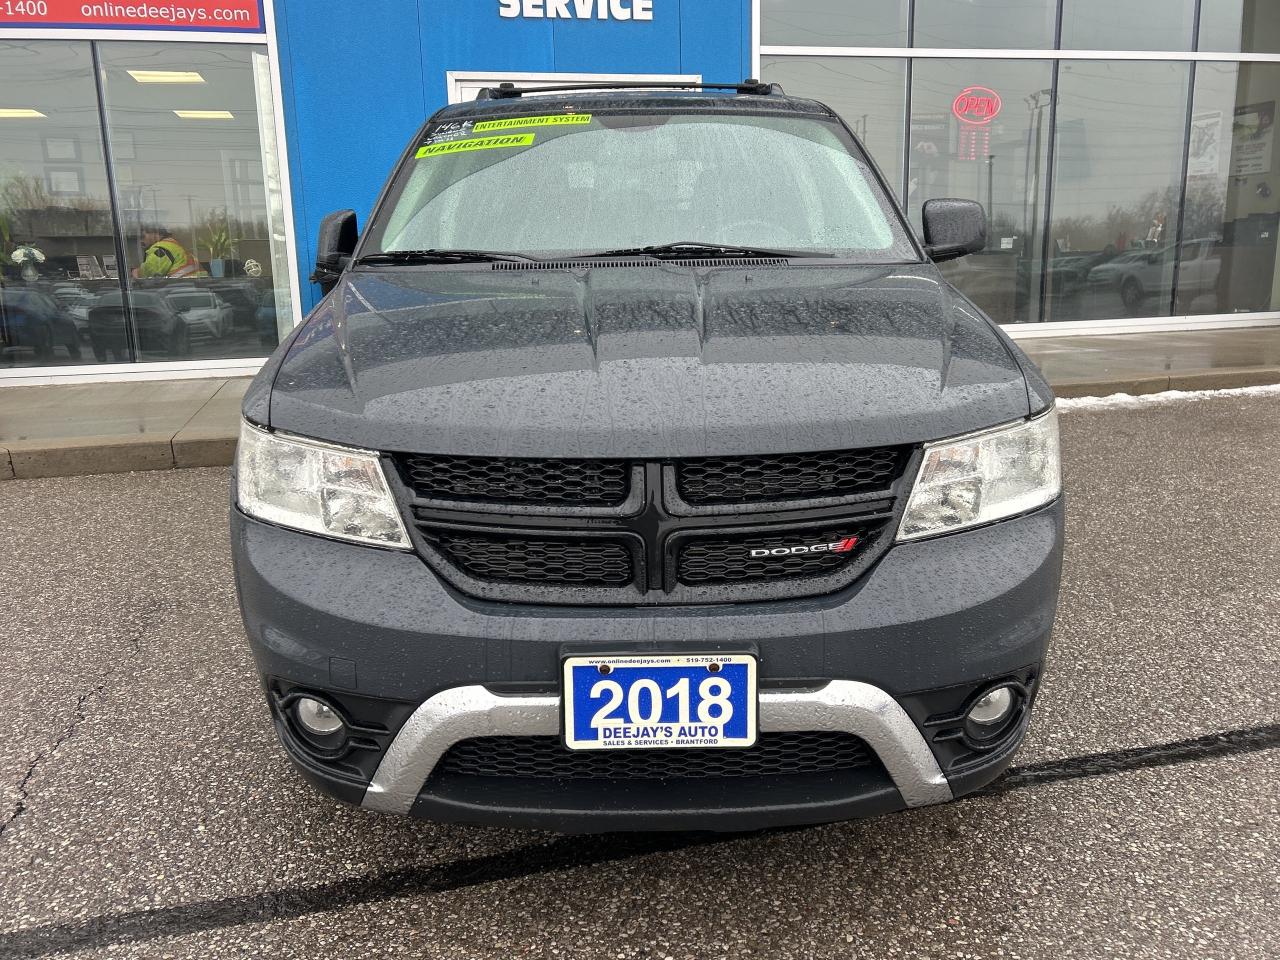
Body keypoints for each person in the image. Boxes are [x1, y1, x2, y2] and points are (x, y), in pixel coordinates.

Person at [132, 226, 207, 279]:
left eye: (142, 236)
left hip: (184, 288)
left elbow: (150, 270)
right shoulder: (173, 245)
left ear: (155, 233)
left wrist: (136, 272)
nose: (140, 240)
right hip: (194, 286)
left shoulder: (162, 248)